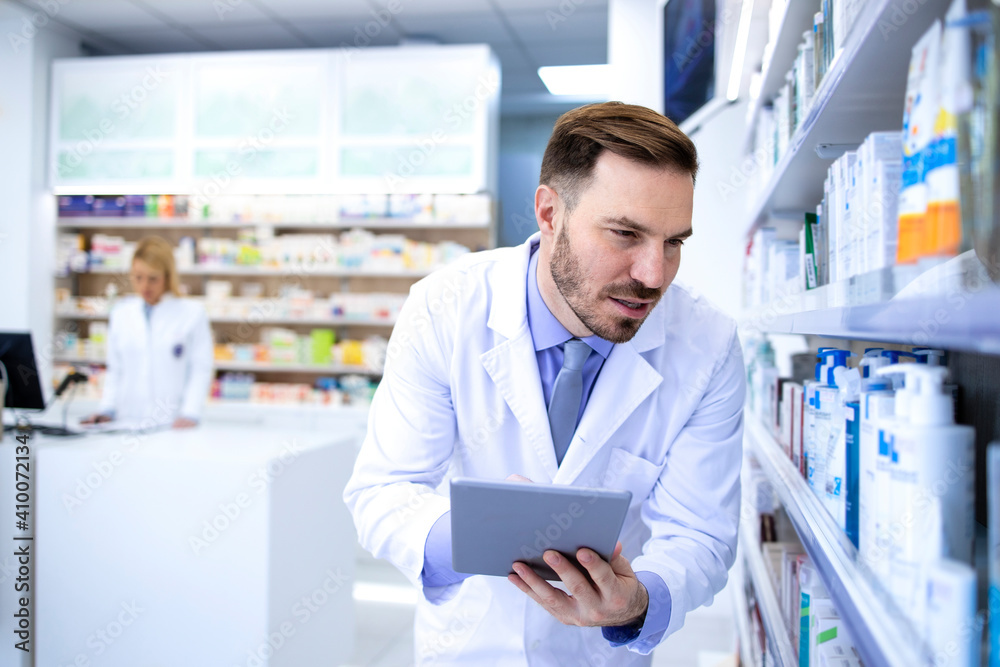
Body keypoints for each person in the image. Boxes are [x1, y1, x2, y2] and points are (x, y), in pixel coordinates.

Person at [344, 102, 745, 665]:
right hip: (472, 643)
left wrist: (635, 602)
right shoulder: (446, 307)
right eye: (625, 234)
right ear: (550, 212)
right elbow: (383, 490)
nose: (654, 275)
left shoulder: (708, 346)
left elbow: (701, 533)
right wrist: (476, 536)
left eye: (674, 242)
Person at [82, 236, 213, 429]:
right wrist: (106, 409)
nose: (144, 286)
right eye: (138, 277)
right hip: (126, 421)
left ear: (168, 277)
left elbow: (200, 369)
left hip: (173, 423)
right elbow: (115, 370)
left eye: (153, 279)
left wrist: (190, 413)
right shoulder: (121, 313)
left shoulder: (192, 314)